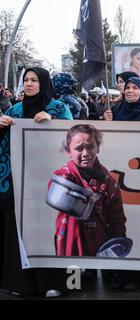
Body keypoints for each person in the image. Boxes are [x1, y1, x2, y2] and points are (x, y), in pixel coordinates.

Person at [0, 66, 73, 298]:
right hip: (18, 183)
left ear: (44, 83)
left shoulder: (59, 108)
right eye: (26, 80)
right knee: (18, 230)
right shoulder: (15, 109)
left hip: (51, 183)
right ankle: (20, 282)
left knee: (51, 230)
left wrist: (53, 122)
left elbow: (74, 138)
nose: (29, 84)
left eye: (34, 80)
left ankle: (55, 282)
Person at [102, 77, 140, 290]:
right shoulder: (116, 110)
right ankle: (118, 273)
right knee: (119, 222)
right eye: (128, 87)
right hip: (119, 175)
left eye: (135, 87)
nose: (130, 91)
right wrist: (106, 123)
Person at [51, 124, 127, 256]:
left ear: (98, 148)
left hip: (100, 247)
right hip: (70, 245)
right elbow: (58, 188)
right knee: (71, 276)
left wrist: (118, 248)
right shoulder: (65, 176)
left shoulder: (110, 183)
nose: (85, 154)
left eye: (90, 147)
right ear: (69, 151)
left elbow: (117, 220)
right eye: (79, 148)